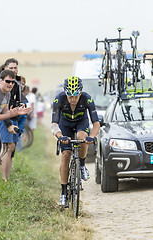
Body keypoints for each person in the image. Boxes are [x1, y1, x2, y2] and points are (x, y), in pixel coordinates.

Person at [51, 76, 100, 207]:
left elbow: (96, 123)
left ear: (81, 92)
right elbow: (54, 124)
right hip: (64, 125)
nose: (73, 99)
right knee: (66, 155)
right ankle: (63, 193)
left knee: (82, 137)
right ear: (65, 93)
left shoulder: (87, 98)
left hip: (81, 122)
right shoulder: (59, 99)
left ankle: (82, 165)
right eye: (70, 96)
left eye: (76, 95)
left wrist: (92, 136)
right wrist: (60, 136)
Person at [0, 58, 23, 181]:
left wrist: (20, 106)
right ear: (5, 68)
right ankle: (2, 179)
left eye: (15, 67)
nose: (14, 70)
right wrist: (7, 123)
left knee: (11, 147)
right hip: (4, 117)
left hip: (13, 116)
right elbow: (1, 106)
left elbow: (14, 100)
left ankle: (6, 177)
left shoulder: (16, 82)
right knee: (6, 146)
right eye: (11, 68)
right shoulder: (0, 82)